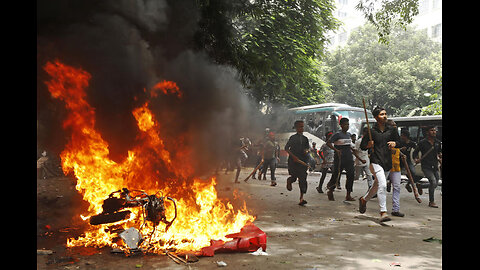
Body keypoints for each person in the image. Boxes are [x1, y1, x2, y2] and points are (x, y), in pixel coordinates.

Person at [358, 106, 401, 222]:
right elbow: (362, 146)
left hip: (387, 162)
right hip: (375, 161)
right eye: (382, 114)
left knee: (376, 185)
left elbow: (400, 142)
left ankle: (364, 199)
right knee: (382, 185)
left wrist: (394, 143)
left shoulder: (392, 130)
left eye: (385, 114)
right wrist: (368, 145)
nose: (385, 116)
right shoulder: (370, 132)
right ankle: (383, 212)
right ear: (376, 117)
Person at [325, 118, 360, 202]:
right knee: (337, 174)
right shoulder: (337, 135)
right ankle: (331, 189)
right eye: (345, 124)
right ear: (341, 125)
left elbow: (348, 145)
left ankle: (348, 194)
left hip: (348, 157)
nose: (347, 126)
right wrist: (336, 150)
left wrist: (353, 149)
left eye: (348, 124)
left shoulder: (348, 134)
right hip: (339, 157)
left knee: (351, 175)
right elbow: (328, 143)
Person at [412, 125, 442, 208]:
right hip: (426, 166)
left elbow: (439, 153)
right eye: (432, 130)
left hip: (435, 165)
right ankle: (431, 202)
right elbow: (415, 153)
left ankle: (421, 186)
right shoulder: (422, 143)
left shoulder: (437, 142)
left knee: (436, 183)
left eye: (435, 130)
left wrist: (440, 158)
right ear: (427, 132)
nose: (434, 132)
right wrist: (416, 159)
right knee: (433, 181)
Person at [285, 120, 310, 206]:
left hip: (302, 161)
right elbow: (286, 148)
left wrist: (306, 152)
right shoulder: (293, 138)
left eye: (302, 126)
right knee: (294, 178)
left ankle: (301, 198)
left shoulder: (305, 139)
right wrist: (293, 157)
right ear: (296, 128)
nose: (301, 128)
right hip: (293, 161)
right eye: (299, 127)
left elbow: (307, 149)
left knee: (303, 179)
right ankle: (289, 180)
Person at [386, 120, 404, 217]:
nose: (395, 127)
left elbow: (397, 148)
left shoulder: (397, 140)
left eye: (395, 125)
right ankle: (365, 199)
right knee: (379, 186)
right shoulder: (384, 137)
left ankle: (395, 209)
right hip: (386, 165)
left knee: (397, 187)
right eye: (392, 125)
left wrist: (401, 154)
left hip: (396, 166)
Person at [398, 129, 423, 194]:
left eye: (402, 135)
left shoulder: (412, 143)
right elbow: (395, 150)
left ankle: (409, 184)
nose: (401, 136)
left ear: (405, 136)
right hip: (399, 161)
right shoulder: (400, 142)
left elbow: (417, 150)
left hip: (408, 160)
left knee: (413, 173)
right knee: (395, 174)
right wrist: (400, 149)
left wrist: (416, 158)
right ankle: (390, 183)